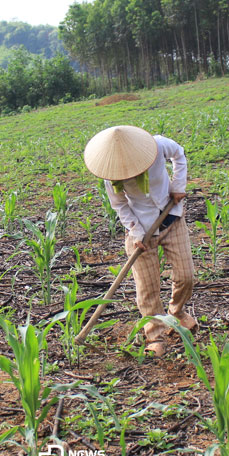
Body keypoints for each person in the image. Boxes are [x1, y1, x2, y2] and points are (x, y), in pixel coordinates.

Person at [83, 125, 197, 356]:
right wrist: (135, 232)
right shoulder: (111, 172)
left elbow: (179, 154)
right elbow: (120, 204)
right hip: (142, 230)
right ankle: (155, 335)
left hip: (171, 217)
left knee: (186, 276)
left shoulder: (156, 146)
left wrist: (178, 186)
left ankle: (177, 312)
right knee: (148, 288)